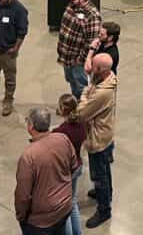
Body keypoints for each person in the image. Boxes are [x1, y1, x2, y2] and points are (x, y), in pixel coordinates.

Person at [15, 108, 78, 235]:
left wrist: (21, 216)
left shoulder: (28, 157)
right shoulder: (63, 138)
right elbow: (74, 165)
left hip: (41, 221)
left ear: (31, 126)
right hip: (64, 208)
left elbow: (23, 195)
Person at [79, 53, 118, 229]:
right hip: (106, 133)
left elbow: (82, 113)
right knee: (104, 168)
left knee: (99, 174)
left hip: (98, 139)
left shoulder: (102, 93)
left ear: (101, 70)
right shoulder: (108, 77)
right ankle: (107, 193)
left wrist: (84, 95)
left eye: (94, 66)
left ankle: (104, 209)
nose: (90, 69)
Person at [58, 0, 102, 100]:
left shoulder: (92, 16)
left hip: (78, 60)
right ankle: (75, 103)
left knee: (81, 87)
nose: (71, 1)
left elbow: (92, 41)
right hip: (66, 55)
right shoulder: (72, 6)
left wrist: (81, 58)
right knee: (71, 81)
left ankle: (83, 111)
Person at [54, 95, 87, 235]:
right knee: (72, 202)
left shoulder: (61, 132)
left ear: (62, 110)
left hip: (65, 171)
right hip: (77, 165)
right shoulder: (82, 124)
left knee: (63, 209)